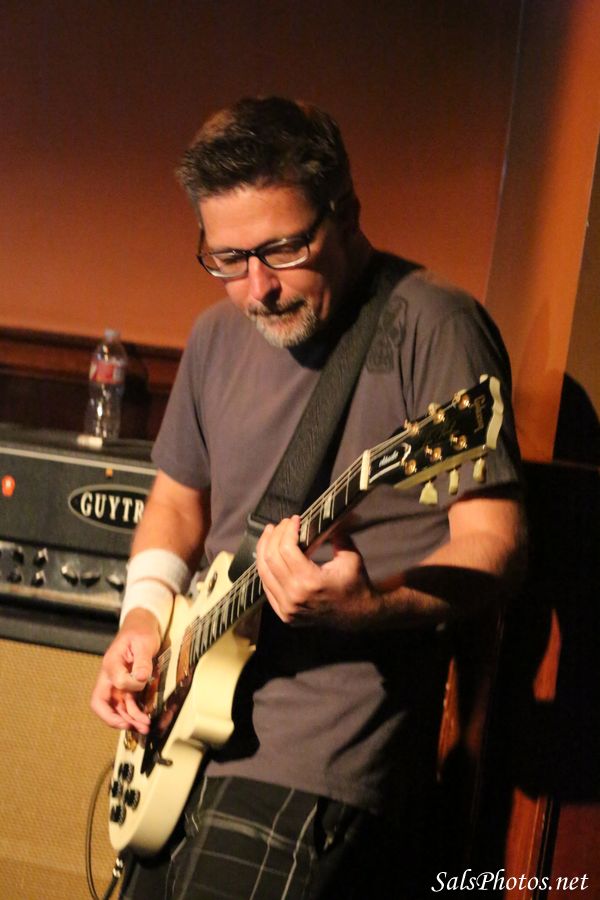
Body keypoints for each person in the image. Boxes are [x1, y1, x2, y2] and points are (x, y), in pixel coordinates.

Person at [91, 96, 525, 899]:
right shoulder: (214, 336)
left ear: (345, 213)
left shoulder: (435, 326)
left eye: (283, 249)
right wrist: (144, 620)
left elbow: (496, 544)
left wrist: (372, 607)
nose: (257, 288)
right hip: (181, 733)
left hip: (321, 755)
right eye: (228, 258)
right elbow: (177, 504)